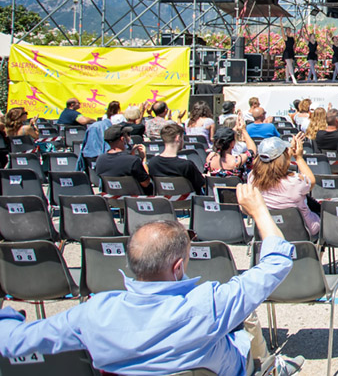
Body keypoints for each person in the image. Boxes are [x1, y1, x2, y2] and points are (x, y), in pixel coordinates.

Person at [0, 183, 302, 376]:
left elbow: (13, 341)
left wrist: (8, 316)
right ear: (178, 267)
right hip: (224, 368)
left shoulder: (93, 314)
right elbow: (277, 262)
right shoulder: (208, 306)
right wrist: (259, 211)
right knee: (242, 335)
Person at [249, 134, 319, 237]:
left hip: (266, 231)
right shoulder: (295, 182)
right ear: (283, 158)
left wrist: (286, 153)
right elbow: (311, 181)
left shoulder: (252, 178)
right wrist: (299, 158)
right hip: (300, 233)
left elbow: (271, 164)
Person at [148, 124, 206, 195]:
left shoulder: (153, 162)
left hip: (164, 200)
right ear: (178, 138)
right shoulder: (186, 165)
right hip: (187, 201)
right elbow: (203, 184)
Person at [94, 125, 152, 194]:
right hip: (134, 198)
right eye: (127, 135)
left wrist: (130, 155)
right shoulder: (133, 161)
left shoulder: (100, 159)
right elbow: (146, 183)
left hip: (113, 197)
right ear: (122, 139)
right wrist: (143, 159)